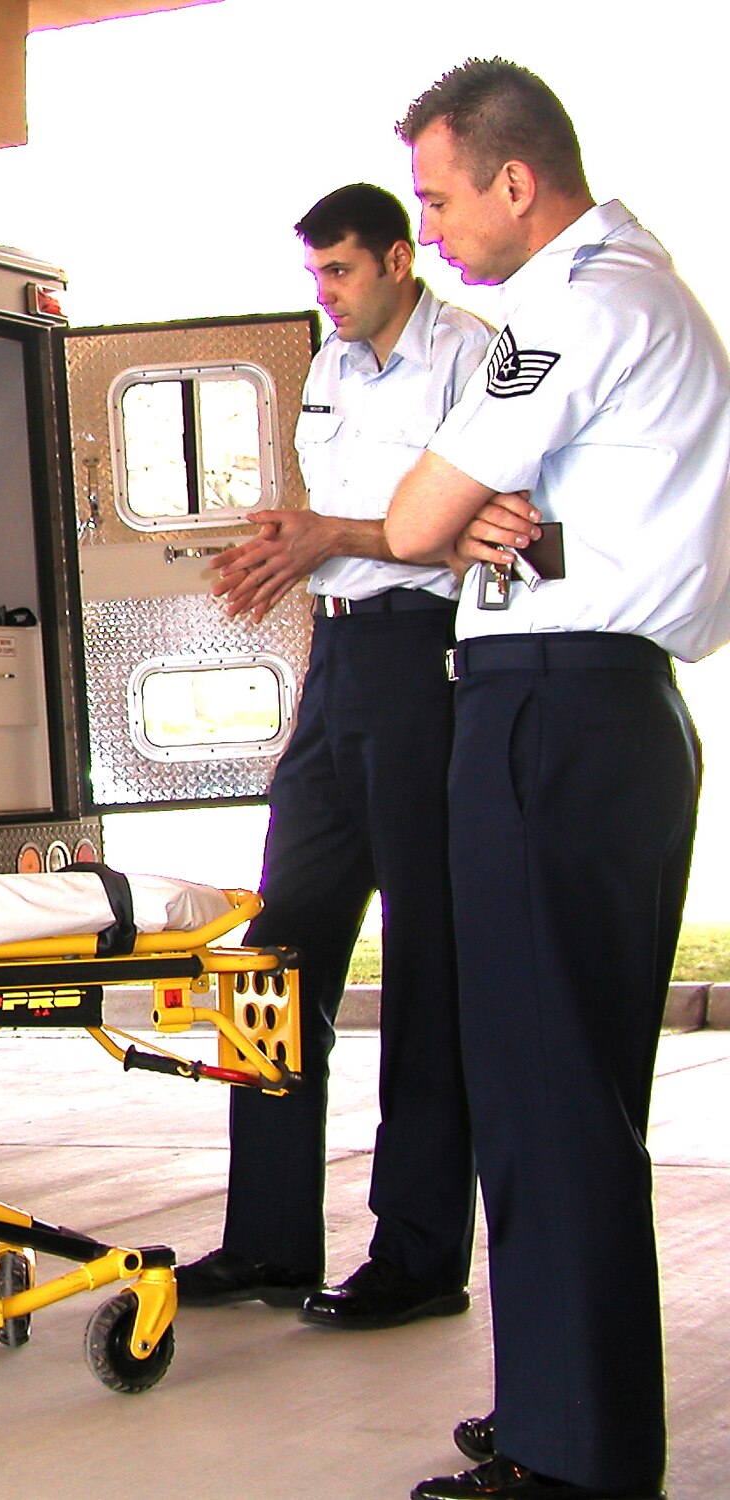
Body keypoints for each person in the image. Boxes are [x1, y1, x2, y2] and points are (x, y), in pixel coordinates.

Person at [386, 60, 730, 1500]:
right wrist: (485, 522)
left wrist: (458, 514)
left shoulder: (575, 307)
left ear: (516, 181)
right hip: (604, 715)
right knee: (561, 1086)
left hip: (553, 720)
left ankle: (573, 1455)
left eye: (442, 198)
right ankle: (558, 1407)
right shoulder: (637, 296)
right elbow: (477, 520)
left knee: (548, 1096)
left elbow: (413, 516)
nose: (440, 231)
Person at [180, 185, 492, 1331]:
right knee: (273, 950)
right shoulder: (326, 367)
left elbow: (486, 527)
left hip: (429, 663)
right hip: (339, 664)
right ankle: (266, 1240)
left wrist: (336, 542)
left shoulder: (473, 358)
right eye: (314, 275)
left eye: (342, 273)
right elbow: (340, 518)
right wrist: (286, 553)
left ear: (401, 261)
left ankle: (415, 1258)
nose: (324, 293)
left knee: (424, 968)